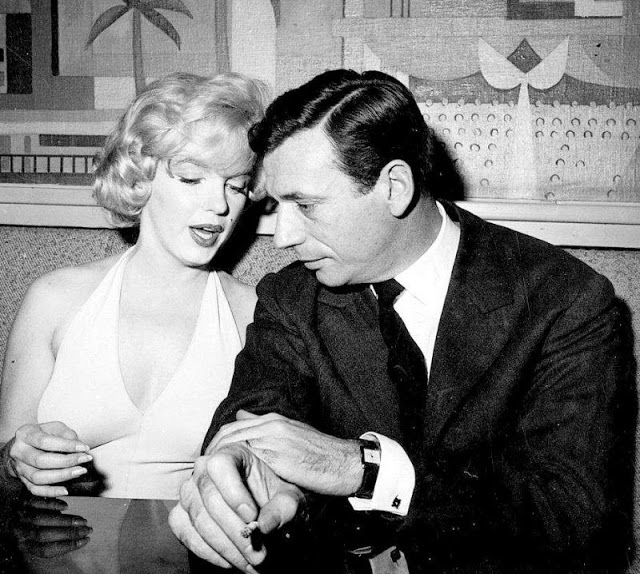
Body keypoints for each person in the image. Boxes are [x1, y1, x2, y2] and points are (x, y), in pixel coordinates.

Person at [169, 69, 636, 573]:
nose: (282, 237)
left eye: (305, 205)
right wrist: (242, 475)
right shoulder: (291, 297)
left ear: (394, 186)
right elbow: (253, 416)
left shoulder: (564, 301)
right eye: (276, 206)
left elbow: (574, 519)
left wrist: (366, 470)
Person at [0, 72, 269, 500]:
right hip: (56, 538)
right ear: (140, 177)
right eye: (191, 178)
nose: (219, 205)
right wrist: (17, 459)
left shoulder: (255, 314)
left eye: (235, 186)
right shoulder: (54, 299)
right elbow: (4, 460)